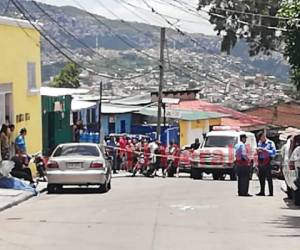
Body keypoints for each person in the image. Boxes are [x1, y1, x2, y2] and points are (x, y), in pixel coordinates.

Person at [256, 131, 276, 196]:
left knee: (269, 177)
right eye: (260, 139)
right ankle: (262, 191)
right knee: (261, 177)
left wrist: (265, 150)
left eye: (261, 138)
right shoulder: (259, 143)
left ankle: (271, 192)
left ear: (264, 136)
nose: (261, 140)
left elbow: (273, 152)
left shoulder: (270, 143)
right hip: (261, 161)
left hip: (268, 161)